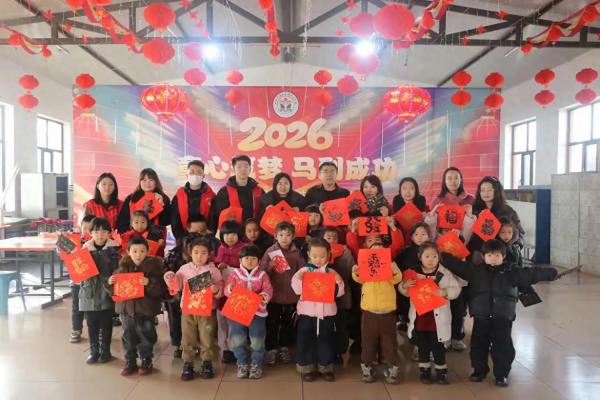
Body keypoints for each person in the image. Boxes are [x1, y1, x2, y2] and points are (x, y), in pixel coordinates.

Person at [441, 239, 558, 387]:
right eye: (489, 255)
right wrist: (441, 255)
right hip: (481, 315)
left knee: (502, 345)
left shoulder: (512, 271)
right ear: (483, 256)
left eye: (497, 255)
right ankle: (479, 370)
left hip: (502, 316)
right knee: (478, 345)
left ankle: (502, 374)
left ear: (503, 256)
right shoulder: (475, 271)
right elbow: (458, 266)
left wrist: (550, 273)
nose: (493, 258)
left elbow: (531, 273)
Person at [399, 241, 461, 385]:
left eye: (434, 256)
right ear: (420, 257)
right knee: (423, 346)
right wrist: (404, 286)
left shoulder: (445, 273)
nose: (431, 259)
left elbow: (456, 288)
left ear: (439, 257)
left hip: (437, 319)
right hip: (420, 318)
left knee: (438, 346)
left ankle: (441, 371)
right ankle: (424, 370)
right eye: (427, 256)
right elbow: (405, 291)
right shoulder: (413, 273)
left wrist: (445, 292)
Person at [164, 237, 224, 381]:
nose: (199, 256)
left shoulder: (213, 270)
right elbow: (176, 285)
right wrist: (169, 276)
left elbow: (220, 287)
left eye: (203, 253)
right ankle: (188, 362)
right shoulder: (184, 269)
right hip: (188, 311)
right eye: (196, 252)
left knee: (207, 336)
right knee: (187, 336)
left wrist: (216, 289)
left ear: (209, 254)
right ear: (190, 253)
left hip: (207, 311)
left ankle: (207, 362)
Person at [107, 236, 166, 376]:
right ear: (128, 252)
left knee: (146, 335)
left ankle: (146, 360)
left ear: (147, 251)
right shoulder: (122, 269)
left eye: (142, 251)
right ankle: (130, 361)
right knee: (128, 336)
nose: (138, 254)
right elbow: (113, 291)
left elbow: (161, 289)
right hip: (126, 310)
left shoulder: (154, 268)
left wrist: (149, 283)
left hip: (145, 310)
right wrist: (109, 283)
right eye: (134, 251)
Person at [291, 238, 344, 382]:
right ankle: (307, 368)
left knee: (326, 340)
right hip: (307, 313)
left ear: (328, 255)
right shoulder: (303, 271)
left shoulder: (331, 272)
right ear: (308, 254)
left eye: (322, 256)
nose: (318, 260)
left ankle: (326, 368)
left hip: (327, 314)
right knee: (306, 340)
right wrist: (299, 279)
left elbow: (339, 293)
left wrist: (339, 281)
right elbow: (296, 290)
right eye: (314, 256)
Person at [352, 242, 403, 384]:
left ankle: (392, 367)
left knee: (389, 342)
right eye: (373, 251)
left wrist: (394, 270)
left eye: (381, 251)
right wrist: (356, 271)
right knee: (368, 342)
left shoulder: (390, 267)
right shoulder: (365, 267)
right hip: (369, 312)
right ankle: (367, 367)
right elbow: (359, 278)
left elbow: (397, 279)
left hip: (387, 312)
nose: (376, 253)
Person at [224, 245, 273, 379]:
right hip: (237, 313)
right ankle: (242, 363)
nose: (250, 261)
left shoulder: (262, 275)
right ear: (240, 260)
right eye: (246, 258)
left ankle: (256, 364)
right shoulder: (235, 274)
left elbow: (268, 289)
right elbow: (226, 289)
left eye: (253, 258)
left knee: (257, 339)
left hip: (257, 313)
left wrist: (264, 296)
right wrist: (230, 288)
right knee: (237, 339)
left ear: (259, 261)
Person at [260, 221, 305, 365]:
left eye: (288, 235)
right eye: (281, 235)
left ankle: (284, 348)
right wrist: (269, 267)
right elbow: (261, 272)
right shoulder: (270, 251)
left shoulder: (298, 253)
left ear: (293, 237)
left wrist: (302, 276)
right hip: (273, 296)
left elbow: (303, 271)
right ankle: (271, 349)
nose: (284, 238)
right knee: (272, 323)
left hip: (291, 296)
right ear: (275, 236)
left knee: (288, 324)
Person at [78, 217, 119, 364]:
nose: (100, 235)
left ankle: (106, 351)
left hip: (106, 291)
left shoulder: (114, 249)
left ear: (109, 233)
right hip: (89, 292)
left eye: (103, 231)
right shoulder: (85, 249)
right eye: (96, 232)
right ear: (90, 233)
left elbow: (119, 269)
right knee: (91, 324)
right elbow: (78, 269)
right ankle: (93, 351)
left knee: (106, 323)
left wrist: (114, 277)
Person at [320, 227, 355, 365]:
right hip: (323, 298)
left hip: (341, 297)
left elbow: (351, 271)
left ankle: (340, 351)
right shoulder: (318, 252)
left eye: (335, 238)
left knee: (341, 326)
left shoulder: (345, 252)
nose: (332, 240)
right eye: (328, 238)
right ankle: (327, 353)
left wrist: (345, 254)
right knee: (326, 327)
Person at [164, 232, 201, 359]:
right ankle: (179, 345)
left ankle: (196, 344)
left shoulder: (203, 257)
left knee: (195, 322)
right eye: (189, 247)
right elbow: (168, 276)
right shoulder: (172, 257)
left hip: (195, 296)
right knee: (175, 321)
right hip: (175, 296)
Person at [469, 176, 524, 260]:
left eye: (489, 190)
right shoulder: (474, 210)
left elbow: (520, 233)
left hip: (502, 252)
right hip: (479, 252)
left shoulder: (507, 211)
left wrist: (507, 241)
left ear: (497, 191)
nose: (485, 193)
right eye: (482, 190)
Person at [214, 220, 246, 364]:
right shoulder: (220, 249)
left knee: (235, 322)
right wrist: (219, 266)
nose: (230, 237)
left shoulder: (245, 249)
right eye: (226, 234)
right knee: (221, 321)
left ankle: (235, 348)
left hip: (237, 292)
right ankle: (225, 349)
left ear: (239, 234)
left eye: (233, 234)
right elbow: (214, 268)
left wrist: (230, 267)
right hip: (221, 293)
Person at [209, 155, 265, 232]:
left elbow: (263, 213)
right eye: (239, 167)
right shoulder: (224, 192)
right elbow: (217, 214)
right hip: (234, 234)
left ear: (250, 169)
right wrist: (212, 231)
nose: (243, 169)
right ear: (234, 169)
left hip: (254, 233)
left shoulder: (259, 191)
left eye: (246, 166)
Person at [395, 221, 430, 335]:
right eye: (416, 234)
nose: (420, 237)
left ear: (429, 236)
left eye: (423, 234)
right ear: (411, 236)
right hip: (408, 285)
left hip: (426, 286)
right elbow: (398, 267)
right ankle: (405, 321)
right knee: (406, 306)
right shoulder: (405, 251)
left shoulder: (432, 250)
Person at [171, 160, 216, 243]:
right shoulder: (179, 195)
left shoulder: (211, 196)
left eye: (199, 172)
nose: (195, 175)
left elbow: (213, 219)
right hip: (184, 238)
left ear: (203, 175)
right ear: (187, 175)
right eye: (192, 172)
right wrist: (181, 239)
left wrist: (208, 237)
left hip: (205, 239)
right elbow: (174, 219)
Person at [116, 168, 171, 235]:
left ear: (156, 182)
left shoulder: (164, 198)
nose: (147, 183)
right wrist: (126, 236)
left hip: (154, 237)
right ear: (140, 182)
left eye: (151, 180)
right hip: (134, 237)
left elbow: (167, 222)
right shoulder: (131, 199)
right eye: (144, 180)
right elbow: (122, 221)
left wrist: (162, 206)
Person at [69, 214, 95, 344]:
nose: (87, 232)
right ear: (81, 227)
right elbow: (60, 252)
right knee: (76, 307)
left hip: (93, 282)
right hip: (77, 281)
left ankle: (97, 331)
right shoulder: (75, 241)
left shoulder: (98, 243)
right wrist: (62, 245)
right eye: (85, 228)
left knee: (93, 308)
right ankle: (76, 329)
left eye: (91, 229)